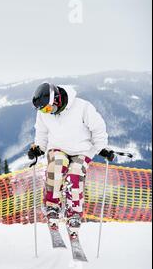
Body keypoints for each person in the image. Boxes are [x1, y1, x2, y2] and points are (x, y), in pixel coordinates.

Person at [28, 82, 114, 237]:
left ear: (56, 100)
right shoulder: (44, 113)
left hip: (82, 150)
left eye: (48, 108)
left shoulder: (82, 107)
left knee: (74, 176)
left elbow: (98, 128)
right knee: (56, 167)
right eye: (43, 110)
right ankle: (52, 207)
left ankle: (74, 214)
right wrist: (39, 149)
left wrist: (101, 147)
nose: (47, 112)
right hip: (58, 148)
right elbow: (41, 133)